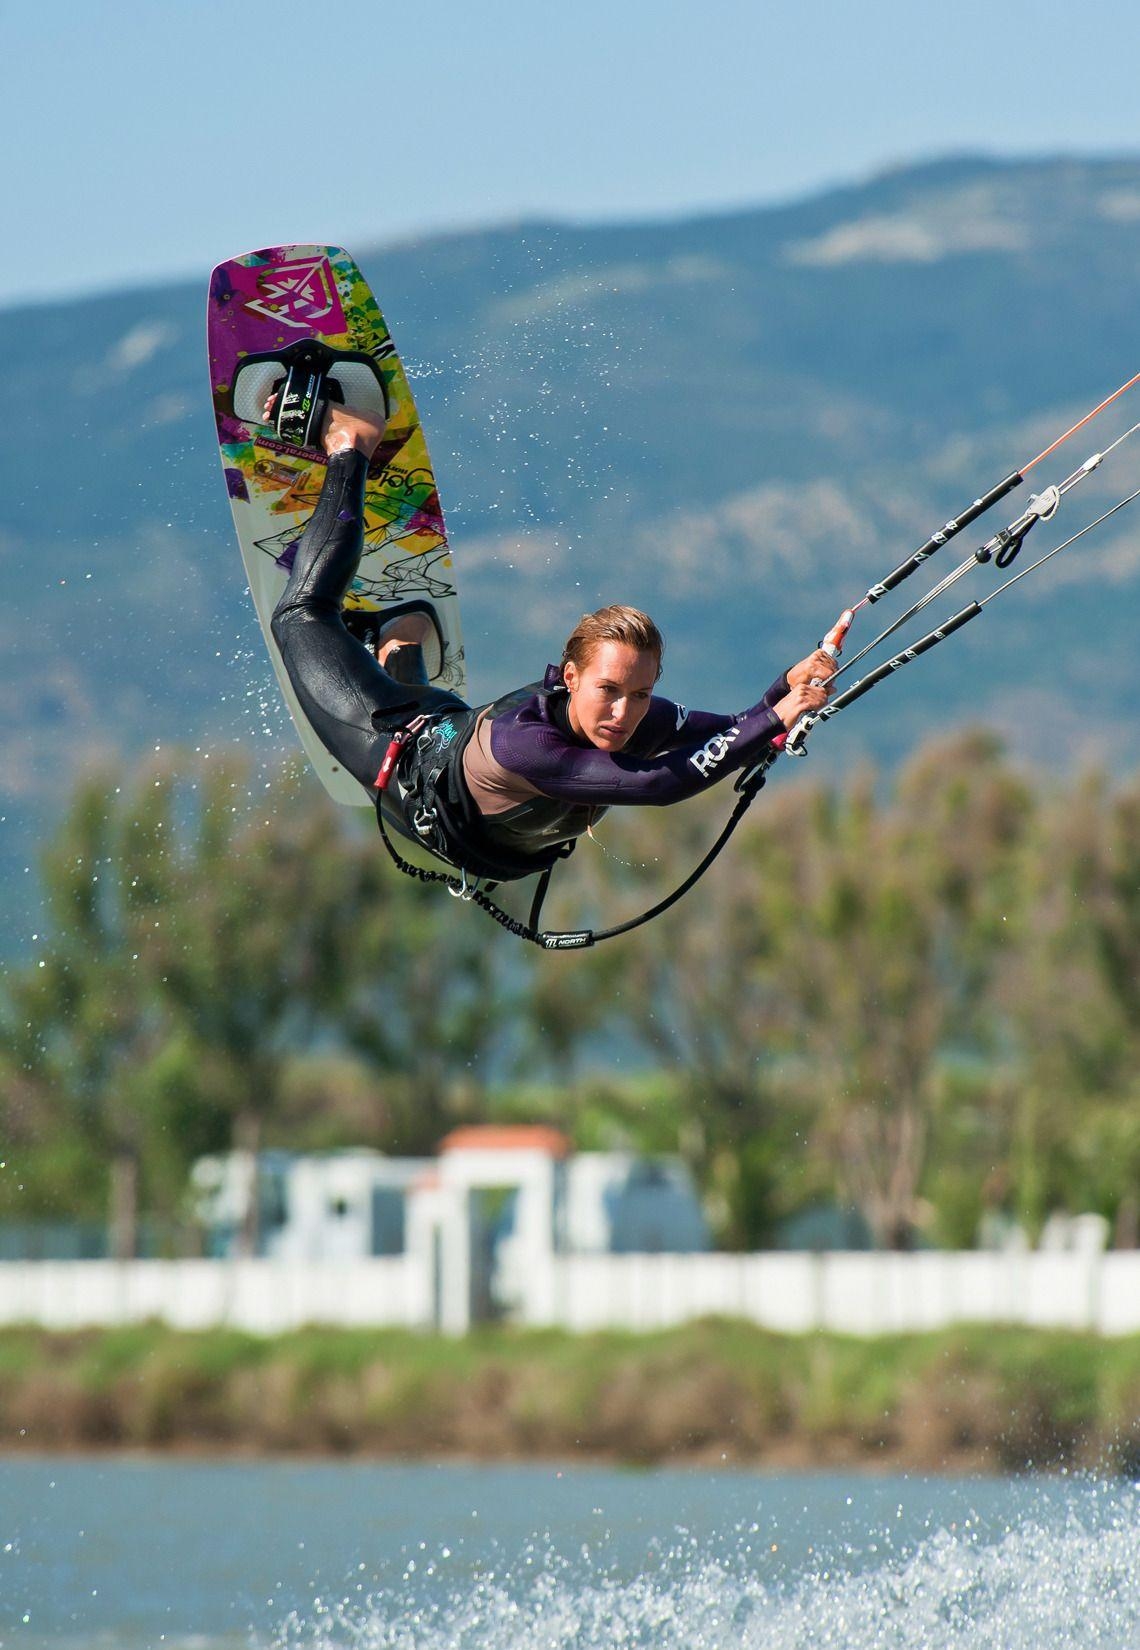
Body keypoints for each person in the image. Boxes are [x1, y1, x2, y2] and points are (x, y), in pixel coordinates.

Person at [270, 402, 836, 884]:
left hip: (453, 757)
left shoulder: (635, 719)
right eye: (608, 689)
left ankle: (401, 637)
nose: (623, 712)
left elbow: (735, 730)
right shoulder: (529, 746)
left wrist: (783, 693)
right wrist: (776, 716)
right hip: (403, 759)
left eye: (640, 694)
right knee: (300, 617)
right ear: (570, 678)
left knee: (401, 688)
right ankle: (351, 444)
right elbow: (664, 782)